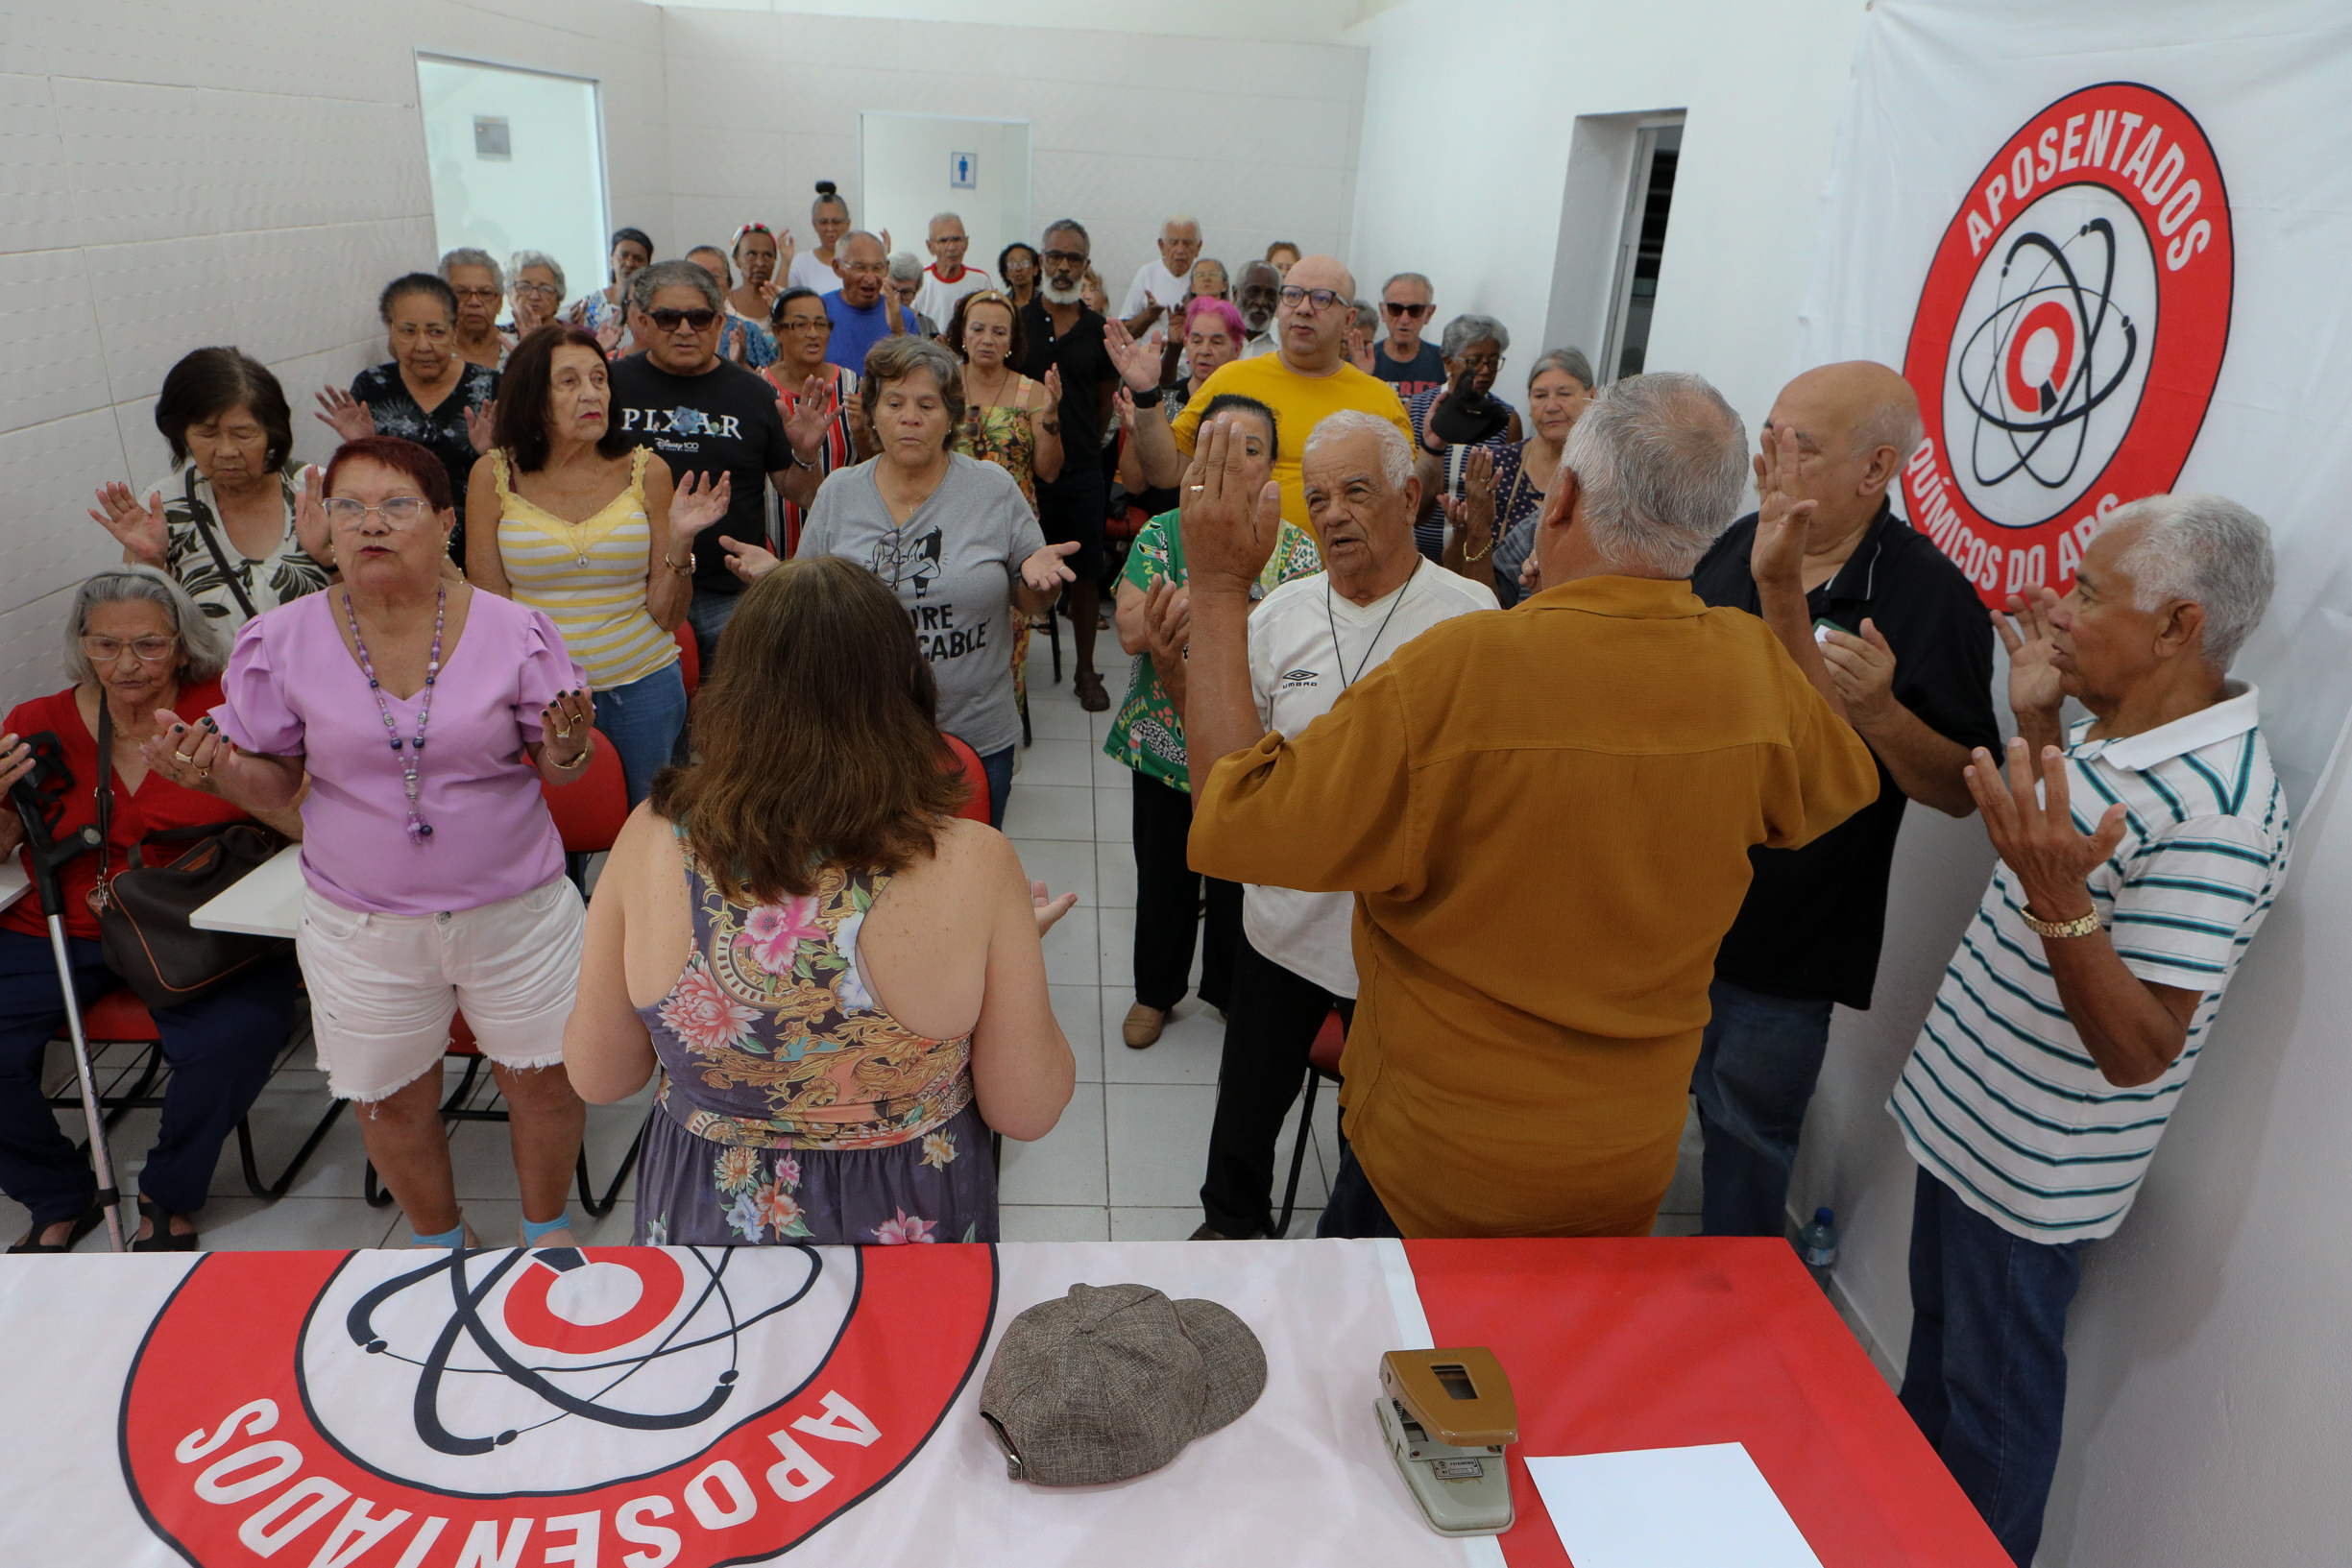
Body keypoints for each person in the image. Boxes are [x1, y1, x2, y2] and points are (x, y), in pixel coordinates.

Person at [1180, 374, 1881, 1240]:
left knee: (1403, 1365)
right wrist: (1780, 593)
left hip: (1439, 1163)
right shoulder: (1751, 668)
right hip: (1620, 1162)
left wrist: (1215, 589)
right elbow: (1843, 776)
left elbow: (1238, 820)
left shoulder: (1462, 664)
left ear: (1567, 499)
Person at [1887, 496, 2285, 1566]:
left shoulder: (2223, 814)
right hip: (1965, 1136)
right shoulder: (2117, 729)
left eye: (2089, 593)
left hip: (2027, 1186)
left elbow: (2139, 1047)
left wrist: (2058, 896)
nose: (2057, 611)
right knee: (1928, 1396)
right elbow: (2065, 857)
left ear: (2176, 627)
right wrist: (2034, 728)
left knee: (1991, 1431)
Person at [158, 435, 599, 1251]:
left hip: (516, 912)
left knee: (542, 1081)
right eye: (350, 506)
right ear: (322, 527)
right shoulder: (280, 640)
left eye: (396, 506)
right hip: (362, 923)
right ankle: (440, 1245)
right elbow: (276, 780)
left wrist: (568, 749)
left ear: (442, 524)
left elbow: (558, 767)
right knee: (390, 1098)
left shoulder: (516, 631)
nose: (372, 524)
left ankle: (547, 1236)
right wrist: (214, 773)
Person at [562, 555, 1079, 1246]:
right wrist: (1006, 957)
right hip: (911, 1223)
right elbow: (1028, 1106)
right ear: (906, 688)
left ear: (732, 688)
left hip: (708, 1218)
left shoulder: (652, 836)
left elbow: (600, 1074)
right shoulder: (975, 859)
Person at [1686, 362, 2000, 1240]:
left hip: (1786, 946)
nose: (1772, 461)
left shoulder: (1927, 596)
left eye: (1803, 446)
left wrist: (1879, 713)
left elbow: (1956, 790)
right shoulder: (1736, 542)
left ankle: (1732, 1329)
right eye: (1772, 435)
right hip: (1670, 907)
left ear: (1876, 470)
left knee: (1745, 1145)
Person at [1190, 410, 1497, 1237]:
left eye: (1354, 491)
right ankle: (1228, 1230)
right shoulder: (1274, 618)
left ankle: (1352, 1255)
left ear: (1408, 496)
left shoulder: (1472, 619)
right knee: (1246, 1111)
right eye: (1317, 496)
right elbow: (1223, 781)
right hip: (1281, 930)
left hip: (1403, 950)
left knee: (1379, 1137)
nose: (1331, 514)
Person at [0, 568, 304, 1251]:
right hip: (65, 923)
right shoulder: (35, 722)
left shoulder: (232, 708)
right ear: (82, 644)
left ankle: (169, 1193)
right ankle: (55, 1192)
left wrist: (223, 776)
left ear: (182, 645)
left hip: (196, 921)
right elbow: (6, 844)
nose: (127, 664)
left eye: (148, 645)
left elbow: (306, 825)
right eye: (106, 646)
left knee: (239, 1034)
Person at [754, 336, 1080, 826]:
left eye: (927, 404)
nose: (910, 417)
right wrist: (777, 582)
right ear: (872, 413)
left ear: (951, 417)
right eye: (894, 403)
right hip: (859, 735)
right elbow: (811, 608)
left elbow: (1032, 602)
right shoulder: (840, 493)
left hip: (973, 733)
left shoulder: (993, 489)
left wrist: (1041, 584)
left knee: (966, 879)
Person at [1105, 395, 1322, 1052]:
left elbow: (1300, 644)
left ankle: (1230, 992)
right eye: (1215, 447)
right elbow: (1129, 630)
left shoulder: (1297, 550)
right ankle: (1155, 991)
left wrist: (1189, 601)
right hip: (1163, 743)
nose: (1231, 462)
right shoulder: (1161, 531)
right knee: (1164, 877)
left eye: (1249, 448)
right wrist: (1237, 599)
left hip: (1256, 745)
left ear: (1273, 465)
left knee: (1240, 882)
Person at [467, 326, 730, 806]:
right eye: (568, 382)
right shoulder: (492, 475)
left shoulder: (646, 470)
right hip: (541, 697)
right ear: (532, 396)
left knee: (651, 831)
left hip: (644, 683)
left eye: (598, 379)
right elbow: (492, 612)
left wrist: (680, 541)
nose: (591, 394)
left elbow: (668, 617)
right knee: (549, 831)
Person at [608, 259, 828, 664]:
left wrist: (807, 453)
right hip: (630, 590)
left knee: (732, 717)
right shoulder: (610, 386)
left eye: (699, 317)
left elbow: (800, 492)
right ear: (642, 321)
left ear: (720, 322)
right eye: (669, 318)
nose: (686, 329)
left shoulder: (753, 393)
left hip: (729, 591)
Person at [1018, 220, 1183, 712]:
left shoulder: (1098, 330)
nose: (1063, 266)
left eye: (1074, 258)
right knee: (1012, 571)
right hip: (1023, 472)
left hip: (1082, 472)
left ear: (1086, 266)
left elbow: (1102, 406)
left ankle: (1085, 671)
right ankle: (1013, 671)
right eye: (1055, 256)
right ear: (1041, 260)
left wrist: (1077, 446)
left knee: (1085, 572)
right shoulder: (1018, 321)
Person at [1162, 255, 1413, 546]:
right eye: (1292, 295)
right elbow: (1169, 469)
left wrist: (1434, 446)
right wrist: (1146, 398)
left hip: (1343, 579)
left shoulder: (1379, 399)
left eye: (1322, 299)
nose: (1304, 309)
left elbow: (1408, 499)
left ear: (1349, 319)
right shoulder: (1229, 379)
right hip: (1236, 570)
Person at [89, 347, 329, 628]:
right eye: (207, 433)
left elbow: (375, 600)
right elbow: (140, 629)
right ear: (183, 435)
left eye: (244, 434)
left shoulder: (317, 490)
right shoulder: (164, 505)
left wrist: (331, 559)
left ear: (272, 433)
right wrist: (149, 562)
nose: (227, 450)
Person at [315, 274, 497, 561]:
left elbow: (522, 475)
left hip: (479, 544)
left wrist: (492, 452)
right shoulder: (373, 386)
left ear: (453, 330)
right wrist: (362, 446)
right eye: (409, 331)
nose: (423, 345)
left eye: (436, 332)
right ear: (391, 330)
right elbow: (359, 484)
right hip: (393, 547)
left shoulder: (489, 387)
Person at [948, 290, 1061, 733]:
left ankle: (997, 736)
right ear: (962, 333)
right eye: (978, 329)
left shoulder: (1032, 391)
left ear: (1013, 339)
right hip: (947, 524)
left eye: (1000, 331)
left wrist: (1051, 417)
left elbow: (1049, 471)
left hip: (1009, 534)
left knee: (1005, 634)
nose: (988, 340)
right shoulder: (941, 385)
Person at [762, 286, 872, 557]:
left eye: (820, 324)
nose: (813, 334)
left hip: (844, 539)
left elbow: (874, 467)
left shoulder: (852, 386)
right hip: (775, 539)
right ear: (778, 332)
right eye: (800, 324)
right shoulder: (758, 389)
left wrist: (861, 433)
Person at [1408, 314, 1522, 562]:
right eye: (1474, 361)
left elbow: (1507, 496)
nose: (1485, 370)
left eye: (1493, 362)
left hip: (1471, 556)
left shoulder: (1505, 419)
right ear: (1448, 362)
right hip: (1411, 552)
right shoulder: (1415, 409)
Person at [1490, 349, 1594, 607]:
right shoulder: (1499, 464)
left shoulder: (1605, 473)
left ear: (1592, 396)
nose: (1551, 406)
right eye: (1539, 396)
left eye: (1564, 394)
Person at [823, 232, 920, 372]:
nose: (870, 278)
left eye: (877, 268)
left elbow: (912, 376)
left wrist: (898, 331)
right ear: (837, 267)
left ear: (887, 269)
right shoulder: (820, 311)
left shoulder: (903, 318)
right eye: (860, 267)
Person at [685, 244, 778, 370]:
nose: (706, 283)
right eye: (696, 276)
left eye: (715, 276)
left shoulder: (748, 333)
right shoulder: (670, 329)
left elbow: (771, 384)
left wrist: (741, 364)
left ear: (728, 285)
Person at [566, 227, 654, 356]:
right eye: (623, 256)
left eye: (638, 258)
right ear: (612, 259)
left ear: (648, 266)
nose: (629, 263)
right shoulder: (590, 304)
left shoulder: (655, 304)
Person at [1122, 215, 1203, 336]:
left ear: (1198, 247)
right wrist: (1148, 315)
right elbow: (1122, 331)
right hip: (1150, 352)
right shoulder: (1147, 273)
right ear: (1162, 246)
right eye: (1174, 243)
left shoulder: (1204, 277)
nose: (1180, 250)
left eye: (1187, 243)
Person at [439, 248, 511, 372]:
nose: (474, 302)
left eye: (485, 293)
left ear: (499, 302)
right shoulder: (432, 353)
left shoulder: (519, 347)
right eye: (461, 292)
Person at [1373, 273, 1444, 398]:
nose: (1404, 319)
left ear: (1429, 314)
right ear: (1383, 311)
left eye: (1415, 310)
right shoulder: (1361, 361)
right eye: (1395, 309)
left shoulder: (1444, 363)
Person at [916, 211, 992, 327]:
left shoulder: (981, 281)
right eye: (943, 241)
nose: (951, 247)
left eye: (957, 240)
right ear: (930, 247)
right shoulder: (919, 281)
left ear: (966, 243)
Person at [787, 181, 853, 293]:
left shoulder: (860, 262)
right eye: (823, 222)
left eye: (836, 222)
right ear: (815, 225)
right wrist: (785, 262)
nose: (830, 228)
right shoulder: (801, 263)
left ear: (847, 224)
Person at [726, 222, 790, 328]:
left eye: (767, 255)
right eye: (751, 254)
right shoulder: (724, 305)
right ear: (737, 259)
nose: (760, 263)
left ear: (774, 260)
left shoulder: (787, 303)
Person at [504, 251, 567, 341]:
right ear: (509, 295)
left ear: (558, 297)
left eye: (545, 289)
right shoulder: (496, 340)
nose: (534, 296)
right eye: (524, 287)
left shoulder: (580, 339)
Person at [885, 252, 941, 338]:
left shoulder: (927, 326)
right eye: (892, 289)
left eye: (906, 292)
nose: (897, 298)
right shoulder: (870, 317)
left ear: (916, 292)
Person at [1234, 260, 1282, 359]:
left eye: (1270, 295)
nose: (1261, 302)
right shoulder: (1217, 333)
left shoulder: (1286, 342)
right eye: (1253, 292)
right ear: (1236, 294)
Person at [997, 242, 1041, 309]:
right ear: (1006, 274)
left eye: (1024, 263)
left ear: (1035, 269)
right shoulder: (1002, 305)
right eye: (1012, 264)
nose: (1018, 268)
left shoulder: (1046, 302)